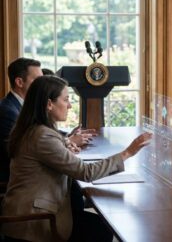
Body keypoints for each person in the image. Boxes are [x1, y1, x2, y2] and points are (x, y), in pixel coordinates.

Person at [0, 76, 152, 242]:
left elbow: (48, 155)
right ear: (49, 104)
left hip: (30, 213)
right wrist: (127, 153)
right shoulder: (42, 135)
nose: (70, 105)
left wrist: (65, 146)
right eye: (66, 100)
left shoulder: (35, 129)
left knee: (99, 226)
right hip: (35, 222)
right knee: (100, 229)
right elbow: (86, 172)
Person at [0, 58, 43, 181]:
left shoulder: (22, 106)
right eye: (37, 81)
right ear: (20, 82)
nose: (42, 85)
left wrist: (66, 138)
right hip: (14, 177)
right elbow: (18, 152)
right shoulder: (7, 112)